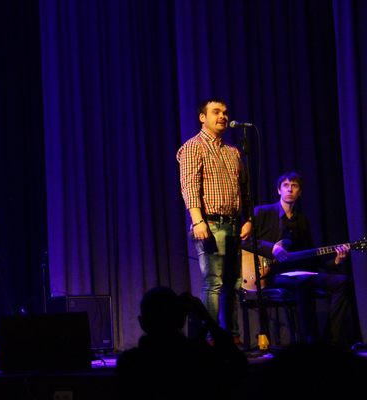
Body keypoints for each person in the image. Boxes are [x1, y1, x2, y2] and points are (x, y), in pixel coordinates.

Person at [242, 171, 360, 350]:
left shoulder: (302, 221)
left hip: (300, 272)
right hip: (272, 274)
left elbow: (312, 257)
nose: (290, 189)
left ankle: (332, 341)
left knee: (343, 282)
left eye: (294, 186)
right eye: (286, 185)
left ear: (300, 192)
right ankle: (309, 342)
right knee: (303, 283)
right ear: (279, 190)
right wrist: (271, 248)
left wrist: (336, 260)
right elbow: (244, 240)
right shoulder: (263, 212)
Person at [176, 98, 252, 344]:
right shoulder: (193, 147)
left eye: (225, 112)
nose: (222, 116)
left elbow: (244, 190)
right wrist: (198, 221)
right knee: (214, 283)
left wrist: (248, 219)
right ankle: (211, 337)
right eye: (216, 112)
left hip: (233, 224)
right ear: (202, 117)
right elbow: (189, 186)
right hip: (210, 224)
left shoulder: (233, 152)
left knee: (234, 283)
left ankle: (232, 336)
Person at [115, 286, 249, 399]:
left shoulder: (129, 363)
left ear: (142, 322)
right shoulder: (198, 356)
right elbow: (239, 366)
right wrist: (206, 317)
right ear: (181, 319)